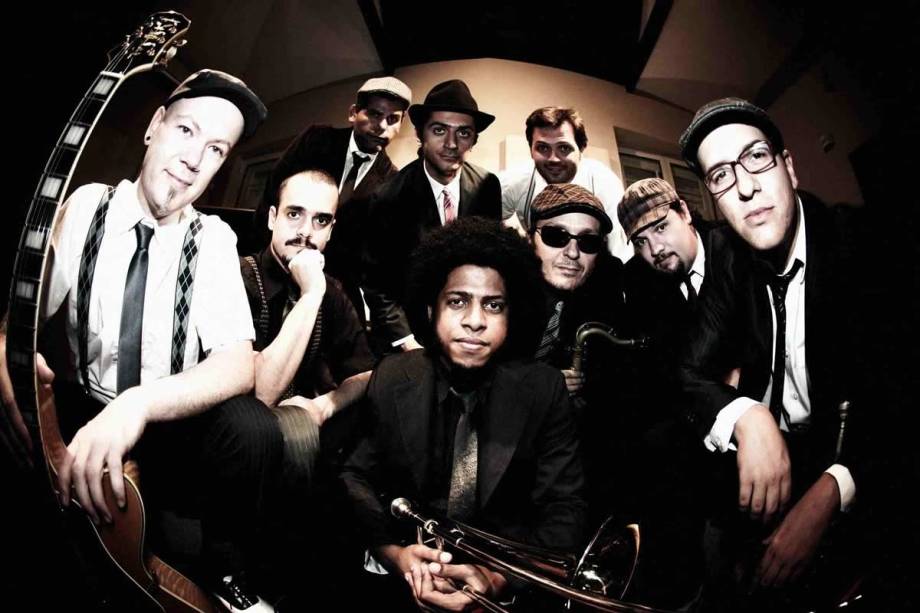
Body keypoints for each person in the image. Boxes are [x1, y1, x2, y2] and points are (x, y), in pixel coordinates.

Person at [2, 69, 278, 612]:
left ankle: (226, 574)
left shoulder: (213, 238)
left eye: (216, 150)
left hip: (165, 426)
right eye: (187, 131)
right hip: (85, 406)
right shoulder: (87, 206)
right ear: (155, 126)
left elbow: (237, 363)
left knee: (254, 428)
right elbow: (22, 314)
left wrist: (138, 405)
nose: (194, 159)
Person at [678, 97, 876, 610]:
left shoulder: (862, 244)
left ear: (788, 166)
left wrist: (834, 489)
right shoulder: (726, 255)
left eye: (756, 157)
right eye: (720, 175)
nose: (745, 187)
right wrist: (746, 416)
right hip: (759, 459)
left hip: (848, 456)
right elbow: (690, 371)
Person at [342, 217, 586, 611]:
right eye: (457, 301)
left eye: (494, 305)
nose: (475, 321)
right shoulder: (393, 377)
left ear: (512, 316)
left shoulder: (544, 390)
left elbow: (564, 509)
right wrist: (394, 554)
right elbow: (355, 478)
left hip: (508, 583)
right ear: (430, 309)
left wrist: (497, 579)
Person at [241, 167, 377, 601]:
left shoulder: (333, 290)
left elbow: (365, 373)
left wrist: (326, 404)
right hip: (236, 436)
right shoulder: (237, 277)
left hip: (305, 441)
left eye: (321, 220)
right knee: (296, 435)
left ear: (332, 230)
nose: (306, 232)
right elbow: (261, 392)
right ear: (272, 218)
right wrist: (311, 292)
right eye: (294, 214)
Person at [363, 79, 501, 354]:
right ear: (420, 134)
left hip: (470, 329)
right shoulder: (388, 197)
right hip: (412, 336)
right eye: (439, 130)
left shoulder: (488, 186)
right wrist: (407, 342)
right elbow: (378, 284)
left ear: (474, 140)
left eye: (463, 133)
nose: (451, 144)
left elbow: (491, 263)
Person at [259, 76, 412, 323]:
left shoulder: (393, 181)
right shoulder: (316, 140)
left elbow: (370, 256)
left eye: (392, 119)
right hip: (276, 270)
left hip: (334, 288)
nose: (382, 126)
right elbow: (271, 198)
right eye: (374, 114)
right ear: (353, 113)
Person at [500, 106, 629, 260]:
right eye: (543, 148)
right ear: (531, 150)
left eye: (563, 148)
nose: (553, 158)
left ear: (581, 149)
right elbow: (486, 222)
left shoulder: (605, 182)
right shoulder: (515, 180)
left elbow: (619, 252)